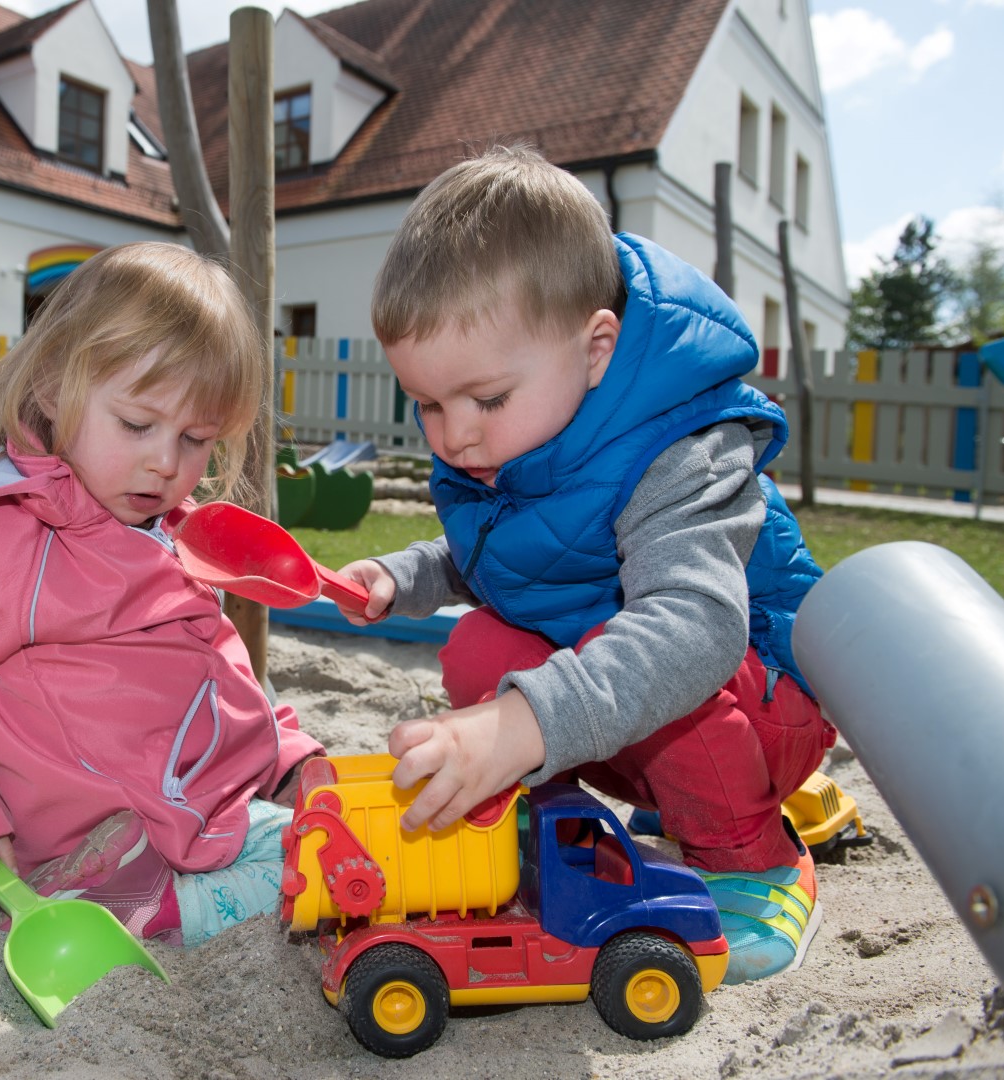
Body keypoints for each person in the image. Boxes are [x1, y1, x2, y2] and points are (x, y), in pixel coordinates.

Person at [335, 145, 836, 984]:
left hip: (760, 701)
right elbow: (507, 559)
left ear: (596, 348)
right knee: (480, 649)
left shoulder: (678, 448)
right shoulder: (518, 438)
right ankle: (568, 822)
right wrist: (401, 578)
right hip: (628, 714)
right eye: (426, 403)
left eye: (485, 399)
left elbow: (693, 628)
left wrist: (523, 725)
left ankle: (756, 859)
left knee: (619, 646)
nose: (454, 435)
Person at [0, 242, 323, 947]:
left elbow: (214, 670)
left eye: (196, 439)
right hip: (101, 835)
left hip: (198, 792)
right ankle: (135, 912)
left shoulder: (161, 526)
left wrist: (284, 753)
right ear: (52, 390)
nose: (165, 462)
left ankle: (199, 867)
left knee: (347, 830)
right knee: (321, 870)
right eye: (137, 425)